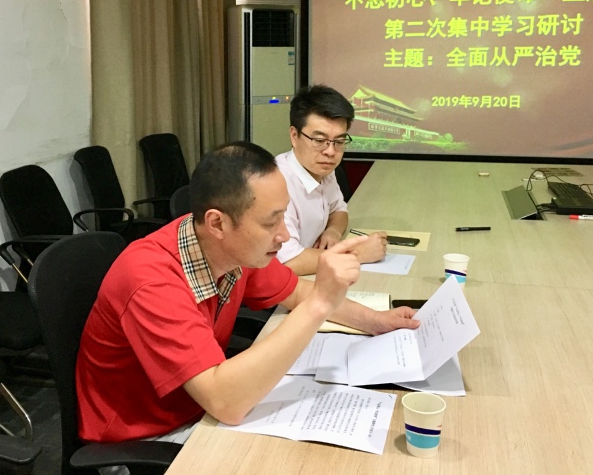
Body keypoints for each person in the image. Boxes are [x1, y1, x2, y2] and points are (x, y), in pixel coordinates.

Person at [76, 141, 419, 447]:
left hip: (201, 405)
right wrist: (320, 304)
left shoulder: (232, 248)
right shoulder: (152, 281)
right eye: (271, 223)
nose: (284, 235)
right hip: (144, 435)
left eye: (284, 217)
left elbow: (297, 292)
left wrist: (377, 321)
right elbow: (227, 404)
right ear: (217, 223)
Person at [276, 85, 387, 276]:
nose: (330, 151)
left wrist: (333, 231)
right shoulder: (277, 183)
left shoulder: (322, 169)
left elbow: (339, 210)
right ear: (294, 136)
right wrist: (357, 254)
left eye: (339, 141)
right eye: (319, 141)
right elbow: (288, 262)